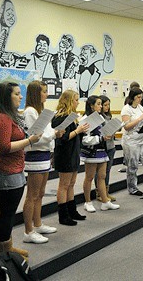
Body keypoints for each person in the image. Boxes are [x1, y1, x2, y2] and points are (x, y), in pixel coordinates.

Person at [0, 81, 41, 258]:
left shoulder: (10, 115)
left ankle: (7, 247)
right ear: (7, 96)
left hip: (14, 169)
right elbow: (4, 147)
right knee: (7, 213)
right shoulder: (2, 118)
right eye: (17, 94)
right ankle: (3, 252)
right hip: (5, 171)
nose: (21, 97)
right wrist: (30, 141)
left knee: (9, 213)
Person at [22, 81, 64, 244]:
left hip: (44, 154)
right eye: (44, 91)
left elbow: (46, 133)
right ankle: (28, 231)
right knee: (32, 195)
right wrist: (54, 133)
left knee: (40, 193)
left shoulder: (41, 111)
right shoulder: (30, 111)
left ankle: (37, 224)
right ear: (36, 94)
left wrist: (54, 133)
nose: (46, 94)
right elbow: (36, 137)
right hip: (35, 156)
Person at [52, 90, 90, 226]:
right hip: (64, 154)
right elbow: (63, 137)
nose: (78, 102)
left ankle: (72, 210)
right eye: (75, 100)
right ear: (68, 101)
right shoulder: (60, 116)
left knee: (72, 183)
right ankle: (63, 215)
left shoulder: (72, 116)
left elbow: (73, 136)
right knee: (64, 185)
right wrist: (77, 131)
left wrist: (81, 131)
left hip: (73, 152)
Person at [80, 95, 120, 213]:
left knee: (102, 176)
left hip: (102, 150)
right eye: (98, 104)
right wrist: (101, 138)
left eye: (101, 104)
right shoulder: (86, 118)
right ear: (91, 105)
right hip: (92, 151)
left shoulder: (100, 117)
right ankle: (87, 202)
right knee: (89, 177)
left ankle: (105, 201)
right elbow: (85, 140)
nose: (101, 106)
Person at [94, 95, 117, 202]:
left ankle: (106, 192)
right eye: (105, 105)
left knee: (107, 171)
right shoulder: (98, 117)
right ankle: (99, 193)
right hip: (103, 146)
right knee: (100, 172)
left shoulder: (108, 116)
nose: (107, 107)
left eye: (108, 105)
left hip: (111, 145)